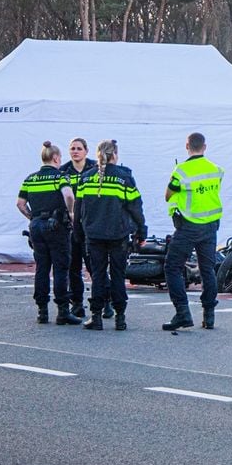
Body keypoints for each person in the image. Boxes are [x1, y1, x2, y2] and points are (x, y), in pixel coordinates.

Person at [76, 139, 146, 331]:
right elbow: (136, 208)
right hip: (118, 235)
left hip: (94, 235)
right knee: (118, 275)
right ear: (115, 154)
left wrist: (78, 233)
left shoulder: (86, 178)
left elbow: (78, 208)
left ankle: (96, 317)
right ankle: (120, 317)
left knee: (98, 275)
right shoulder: (125, 178)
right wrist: (141, 231)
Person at [162, 132, 224, 332]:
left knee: (172, 267)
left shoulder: (181, 170)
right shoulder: (216, 169)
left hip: (189, 225)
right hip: (211, 225)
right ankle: (209, 314)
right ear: (204, 147)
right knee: (207, 269)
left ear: (186, 146)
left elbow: (168, 194)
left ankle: (182, 312)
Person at [16, 141, 80, 326]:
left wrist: (32, 218)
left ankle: (42, 311)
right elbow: (68, 195)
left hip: (36, 226)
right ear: (56, 158)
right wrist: (71, 213)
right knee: (60, 268)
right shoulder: (60, 177)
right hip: (56, 226)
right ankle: (62, 311)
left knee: (42, 268)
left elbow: (20, 203)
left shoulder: (30, 179)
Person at [60, 137, 97, 319]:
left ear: (86, 151)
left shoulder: (95, 169)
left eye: (79, 148)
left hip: (90, 226)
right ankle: (77, 304)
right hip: (70, 228)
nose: (75, 151)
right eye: (72, 148)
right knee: (73, 267)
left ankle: (103, 302)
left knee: (94, 266)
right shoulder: (63, 171)